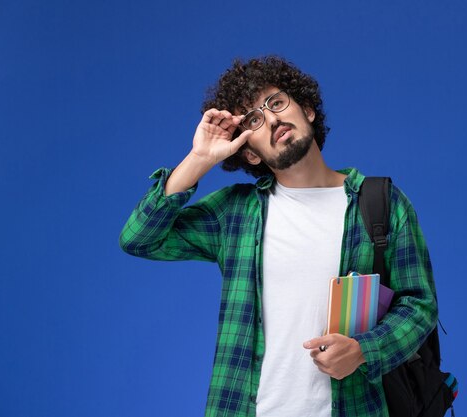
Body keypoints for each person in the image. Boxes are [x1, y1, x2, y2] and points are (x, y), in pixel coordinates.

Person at [120, 56, 438, 417]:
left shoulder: (381, 203)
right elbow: (139, 238)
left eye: (276, 102)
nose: (271, 118)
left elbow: (419, 305)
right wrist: (198, 158)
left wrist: (365, 350)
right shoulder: (234, 213)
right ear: (250, 153)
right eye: (254, 119)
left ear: (308, 110)